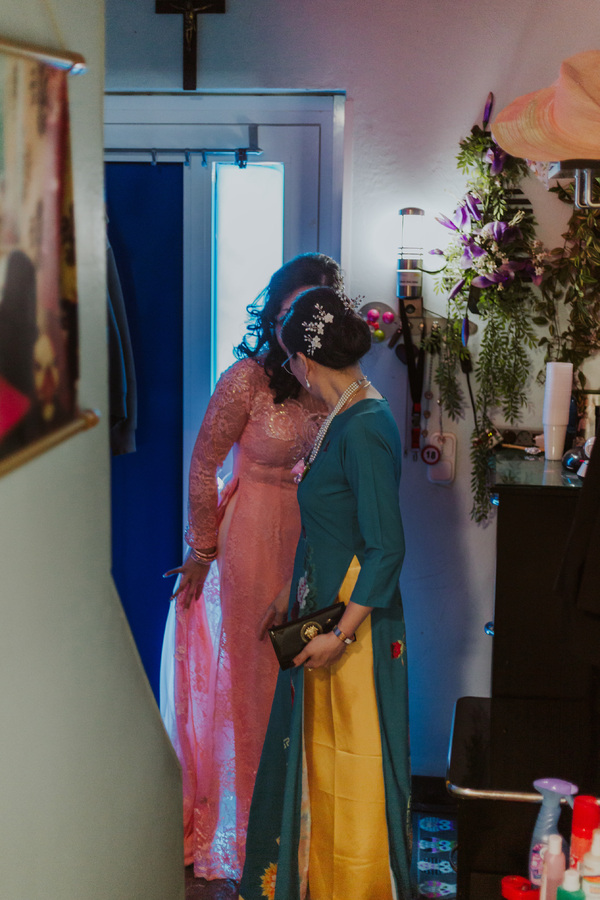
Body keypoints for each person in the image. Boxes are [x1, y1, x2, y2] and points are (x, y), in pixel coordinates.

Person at [160, 254, 343, 883]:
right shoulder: (246, 379)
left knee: (313, 673)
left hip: (316, 539)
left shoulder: (334, 384)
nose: (303, 325)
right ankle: (253, 834)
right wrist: (202, 549)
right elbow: (203, 463)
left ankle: (309, 827)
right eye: (294, 310)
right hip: (253, 540)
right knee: (258, 679)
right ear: (275, 313)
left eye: (316, 311)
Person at [239, 286, 413, 900]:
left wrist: (340, 633)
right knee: (321, 756)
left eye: (290, 360)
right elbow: (329, 525)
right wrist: (289, 590)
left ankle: (357, 887)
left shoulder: (364, 426)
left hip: (352, 621)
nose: (290, 371)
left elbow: (386, 546)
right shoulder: (345, 414)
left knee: (352, 761)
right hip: (326, 604)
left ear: (306, 361)